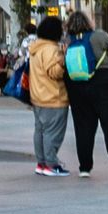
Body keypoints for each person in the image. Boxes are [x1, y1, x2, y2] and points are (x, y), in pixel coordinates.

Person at [63, 11, 108, 179]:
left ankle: (84, 167)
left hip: (77, 86)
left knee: (83, 128)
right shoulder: (99, 35)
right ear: (88, 22)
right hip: (105, 83)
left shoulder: (68, 40)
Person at [29, 16, 71, 176]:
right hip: (53, 97)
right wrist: (63, 59)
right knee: (53, 133)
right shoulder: (51, 49)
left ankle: (41, 162)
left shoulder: (36, 48)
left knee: (40, 131)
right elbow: (54, 72)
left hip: (38, 97)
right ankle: (52, 164)